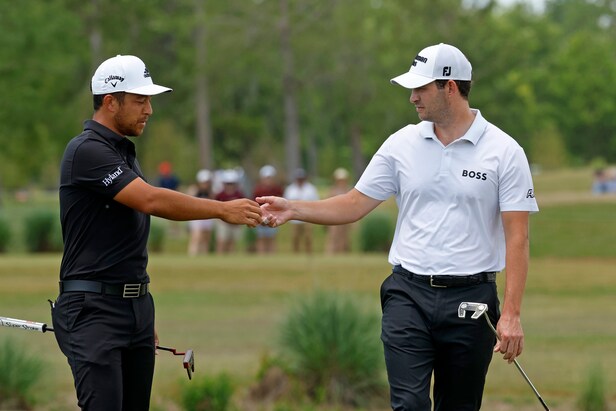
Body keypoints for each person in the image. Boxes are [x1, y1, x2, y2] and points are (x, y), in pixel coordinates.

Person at [258, 43, 539, 410]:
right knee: (408, 405)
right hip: (408, 294)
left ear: (450, 87)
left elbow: (518, 236)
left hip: (472, 301)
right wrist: (293, 208)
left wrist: (513, 314)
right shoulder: (401, 144)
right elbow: (355, 203)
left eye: (421, 89)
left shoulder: (504, 151)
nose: (412, 98)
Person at [52, 54, 262, 411]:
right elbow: (150, 200)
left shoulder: (122, 152)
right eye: (140, 100)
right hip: (93, 310)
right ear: (109, 101)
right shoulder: (86, 151)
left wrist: (138, 312)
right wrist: (223, 209)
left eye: (149, 100)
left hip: (134, 306)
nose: (149, 110)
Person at [283, 168, 319, 253]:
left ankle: (309, 252)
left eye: (301, 178)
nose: (300, 180)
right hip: (294, 218)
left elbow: (316, 202)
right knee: (295, 236)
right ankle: (296, 253)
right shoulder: (290, 189)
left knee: (308, 236)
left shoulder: (311, 188)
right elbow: (285, 202)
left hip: (308, 217)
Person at [252, 165, 284, 253]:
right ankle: (261, 256)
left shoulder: (277, 189)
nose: (268, 180)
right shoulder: (258, 189)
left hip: (274, 216)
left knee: (271, 238)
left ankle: (271, 257)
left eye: (269, 178)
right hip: (261, 215)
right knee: (261, 237)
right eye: (266, 178)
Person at [214, 169, 246, 254]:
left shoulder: (239, 194)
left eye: (231, 183)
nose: (230, 186)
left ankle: (231, 259)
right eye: (228, 183)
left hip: (235, 222)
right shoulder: (220, 195)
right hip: (223, 222)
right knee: (222, 241)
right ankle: (219, 258)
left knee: (232, 242)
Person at [187, 169, 215, 256]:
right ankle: (192, 255)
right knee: (196, 236)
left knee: (206, 238)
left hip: (207, 217)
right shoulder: (194, 190)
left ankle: (204, 256)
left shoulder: (210, 191)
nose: (205, 184)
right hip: (196, 217)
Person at [325, 167, 352, 254]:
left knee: (344, 237)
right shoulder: (332, 190)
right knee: (333, 236)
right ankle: (330, 253)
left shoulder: (349, 190)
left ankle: (342, 254)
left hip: (345, 217)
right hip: (333, 217)